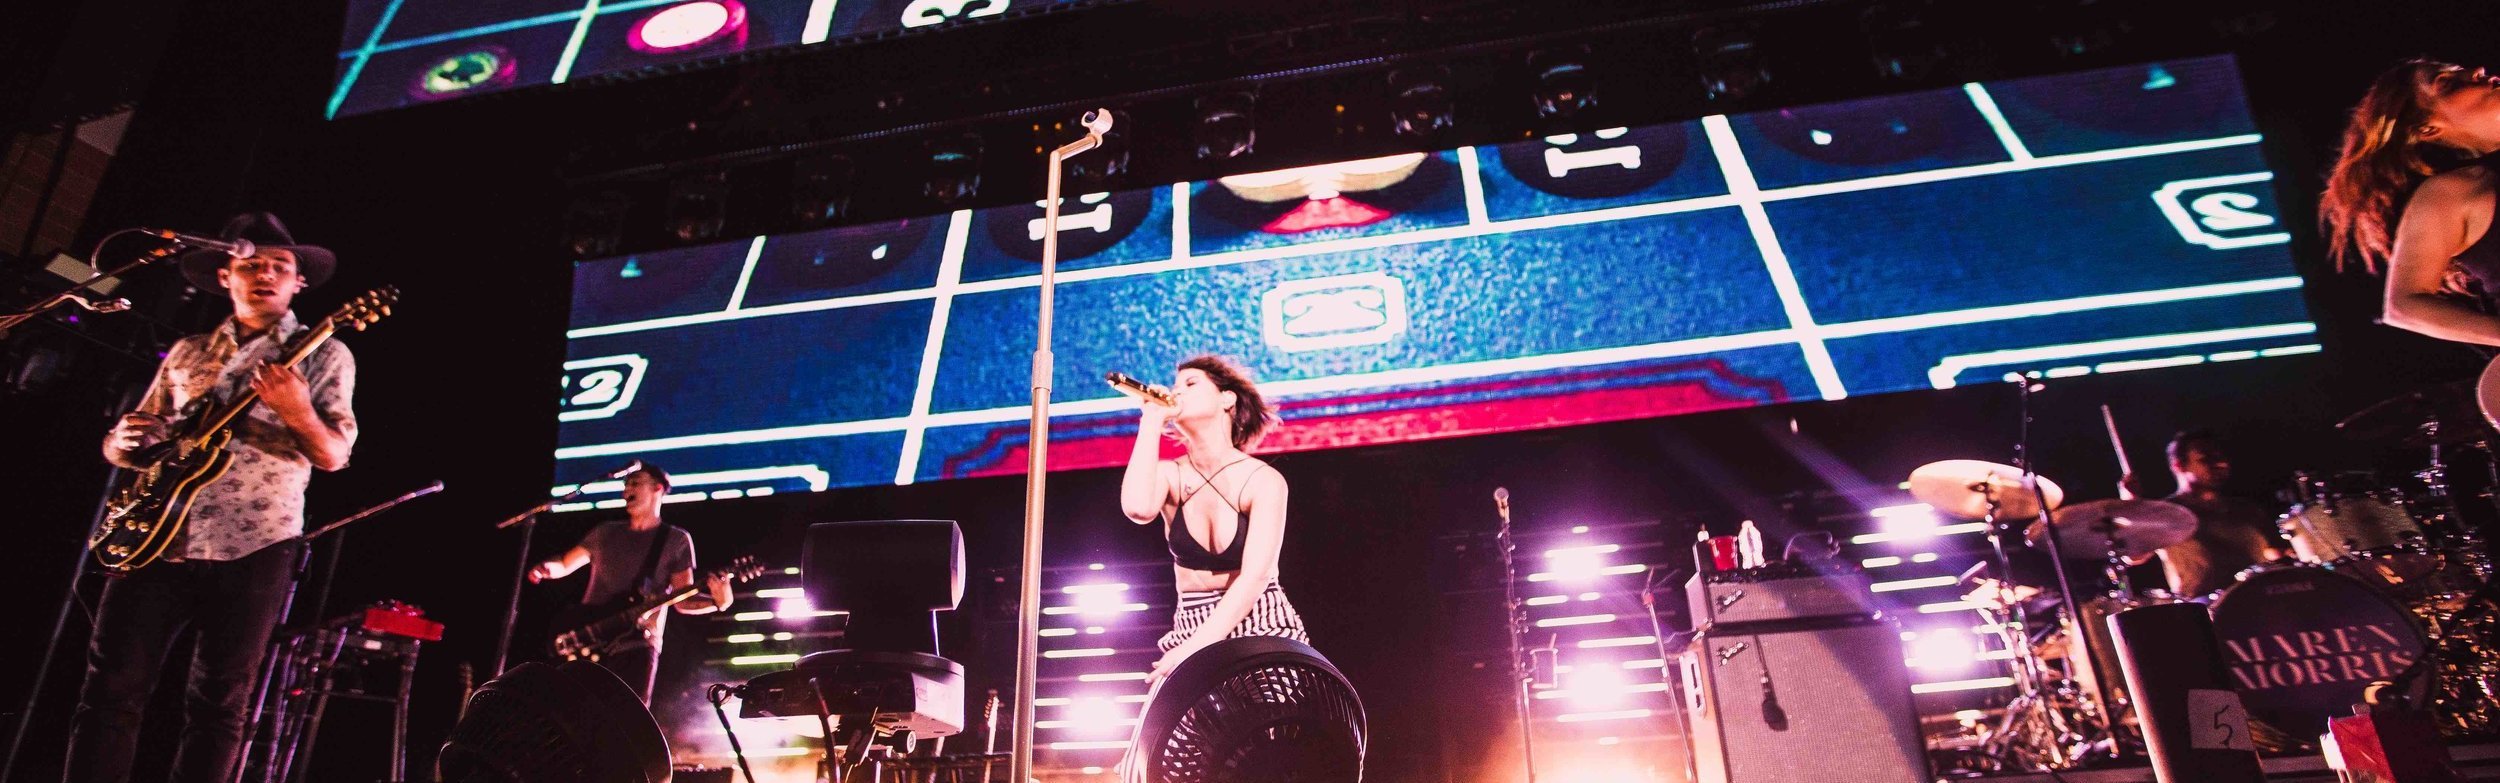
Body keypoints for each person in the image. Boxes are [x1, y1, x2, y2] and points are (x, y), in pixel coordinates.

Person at [69, 212, 358, 783]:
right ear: (226, 277)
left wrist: (297, 410)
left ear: (298, 282)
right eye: (251, 265)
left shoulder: (325, 353)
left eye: (280, 266)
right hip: (157, 536)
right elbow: (133, 442)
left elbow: (332, 456)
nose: (265, 274)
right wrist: (121, 443)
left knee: (219, 703)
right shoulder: (189, 351)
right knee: (109, 690)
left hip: (255, 542)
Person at [1118, 355, 1308, 684]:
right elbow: (1138, 508)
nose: (1177, 392)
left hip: (1260, 618)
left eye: (1191, 384)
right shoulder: (1170, 474)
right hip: (1192, 620)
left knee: (1267, 712)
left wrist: (1198, 645)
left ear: (1227, 398)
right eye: (1175, 386)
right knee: (1170, 717)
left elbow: (1256, 576)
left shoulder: (1263, 480)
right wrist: (1150, 421)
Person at [2321, 59, 2500, 345]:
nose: (2477, 71)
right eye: (2448, 83)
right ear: (2428, 129)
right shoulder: (2457, 192)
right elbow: (2404, 306)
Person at [528, 462, 732, 703]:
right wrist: (546, 569)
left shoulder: (675, 540)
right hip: (590, 635)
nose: (627, 490)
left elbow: (682, 600)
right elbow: (564, 564)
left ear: (657, 488)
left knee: (627, 716)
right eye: (625, 484)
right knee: (575, 710)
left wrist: (719, 602)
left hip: (636, 645)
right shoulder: (605, 532)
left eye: (635, 483)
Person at [2119, 430, 2281, 597]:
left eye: (2220, 457)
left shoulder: (2246, 508)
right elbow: (2135, 556)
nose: (2220, 464)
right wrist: (2131, 507)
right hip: (2203, 608)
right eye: (2206, 459)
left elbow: (2275, 553)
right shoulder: (2164, 514)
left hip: (2262, 599)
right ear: (2179, 466)